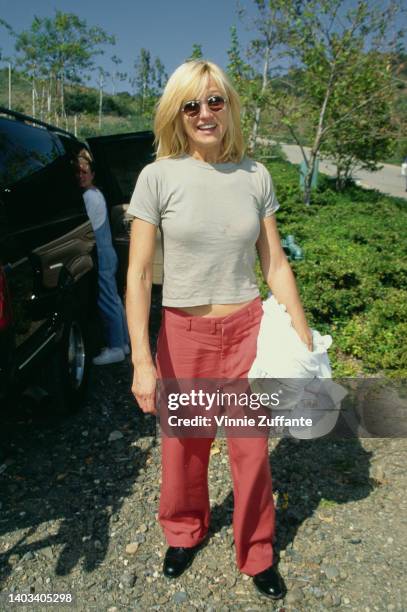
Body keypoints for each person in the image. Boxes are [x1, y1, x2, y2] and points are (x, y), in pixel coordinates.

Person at [125, 60, 312, 600]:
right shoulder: (157, 177)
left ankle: (257, 553)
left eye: (214, 101)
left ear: (229, 106)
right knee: (184, 447)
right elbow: (137, 274)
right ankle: (184, 531)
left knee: (252, 453)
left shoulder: (256, 175)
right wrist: (142, 358)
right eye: (191, 105)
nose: (204, 113)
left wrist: (301, 332)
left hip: (247, 332)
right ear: (176, 114)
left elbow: (274, 263)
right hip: (184, 336)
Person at [77, 155, 130, 365]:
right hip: (108, 252)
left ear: (93, 174)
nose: (81, 176)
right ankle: (125, 342)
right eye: (78, 172)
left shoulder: (89, 196)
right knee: (114, 299)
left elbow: (85, 228)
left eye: (84, 171)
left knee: (107, 300)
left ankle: (116, 347)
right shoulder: (97, 193)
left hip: (101, 252)